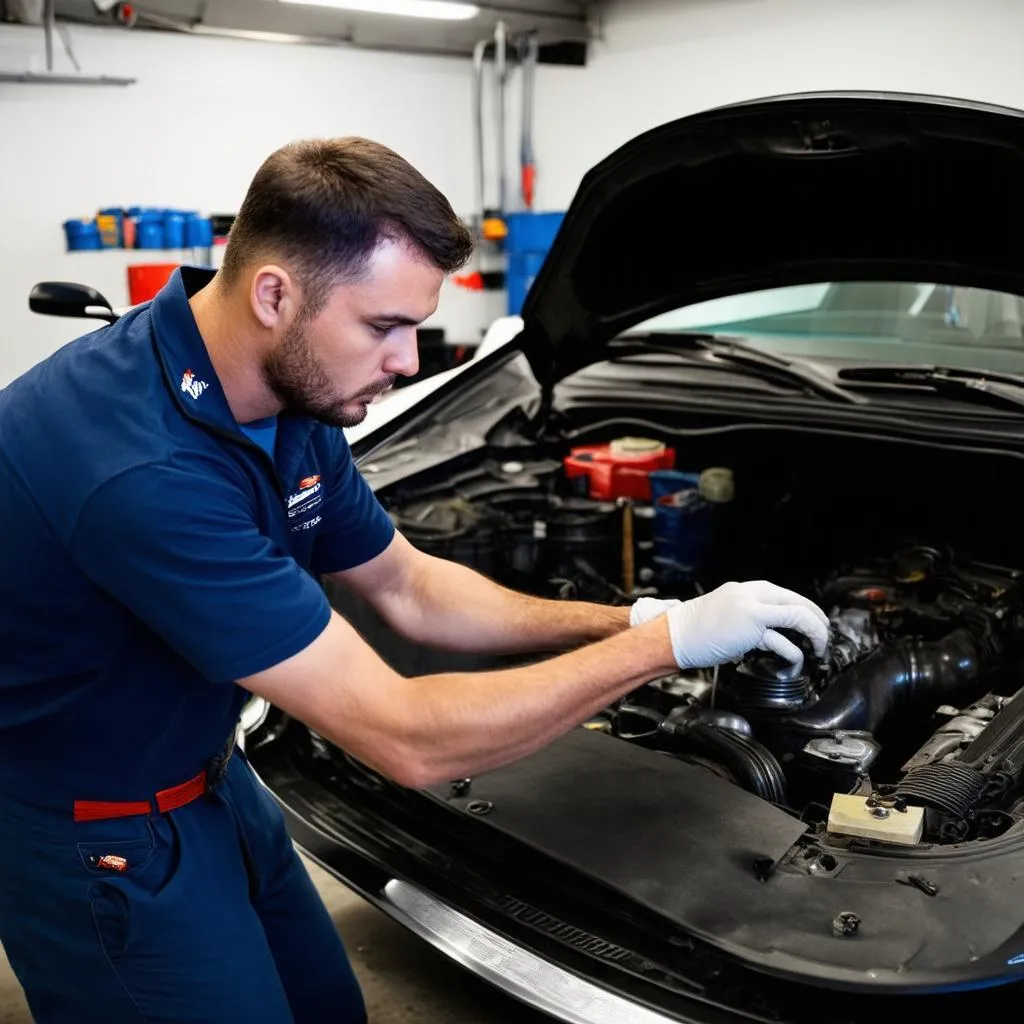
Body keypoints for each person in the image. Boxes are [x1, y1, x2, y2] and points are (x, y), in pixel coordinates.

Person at [0, 137, 829, 1024]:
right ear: (274, 293)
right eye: (384, 326)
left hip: (205, 774)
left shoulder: (285, 384)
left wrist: (632, 619)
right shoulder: (143, 471)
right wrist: (669, 649)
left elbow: (410, 586)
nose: (408, 361)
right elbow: (406, 740)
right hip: (100, 827)